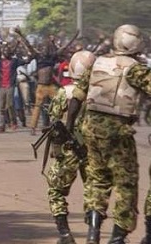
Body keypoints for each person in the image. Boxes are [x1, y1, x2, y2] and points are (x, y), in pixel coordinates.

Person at [66, 24, 151, 244]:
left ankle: (93, 233)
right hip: (117, 130)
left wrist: (69, 126)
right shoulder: (136, 69)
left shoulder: (97, 63)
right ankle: (117, 237)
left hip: (91, 127)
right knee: (126, 183)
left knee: (98, 179)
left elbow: (77, 97)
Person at [45, 50, 96, 244]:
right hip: (92, 149)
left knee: (55, 190)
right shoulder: (98, 94)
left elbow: (54, 118)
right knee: (94, 191)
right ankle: (93, 232)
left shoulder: (64, 93)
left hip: (68, 150)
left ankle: (65, 234)